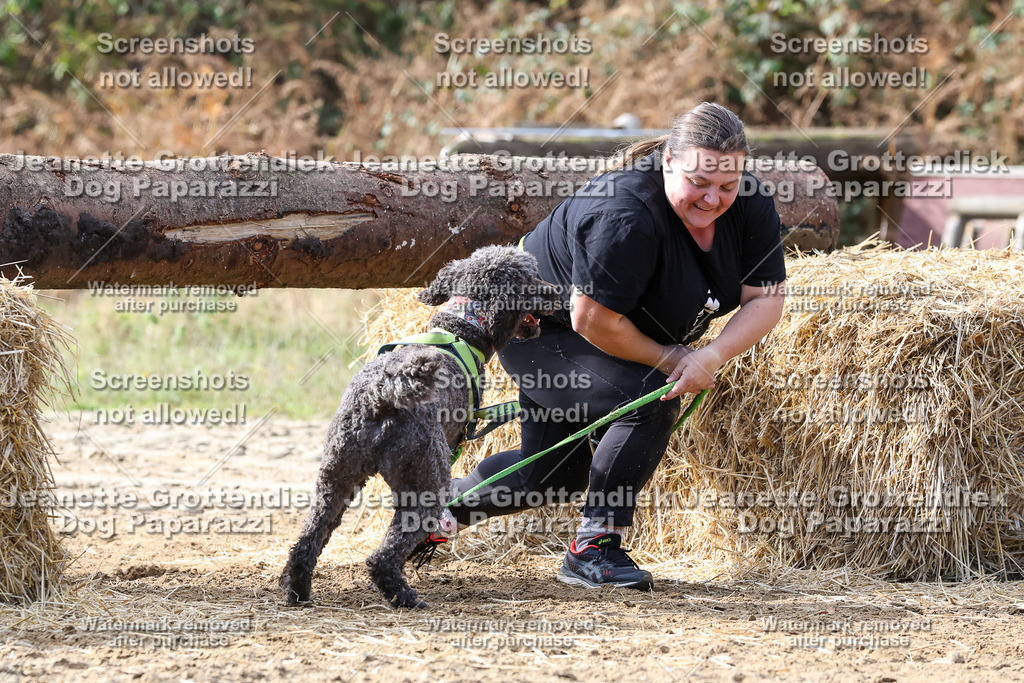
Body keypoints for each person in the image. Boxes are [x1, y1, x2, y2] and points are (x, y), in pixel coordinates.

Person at [447, 101, 787, 590]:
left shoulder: (750, 203)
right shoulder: (625, 215)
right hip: (547, 332)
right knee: (650, 397)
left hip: (615, 329)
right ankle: (594, 546)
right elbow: (593, 319)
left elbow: (766, 300)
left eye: (727, 186)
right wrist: (673, 358)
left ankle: (436, 511)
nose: (713, 199)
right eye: (699, 182)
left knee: (554, 475)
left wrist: (710, 356)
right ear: (668, 159)